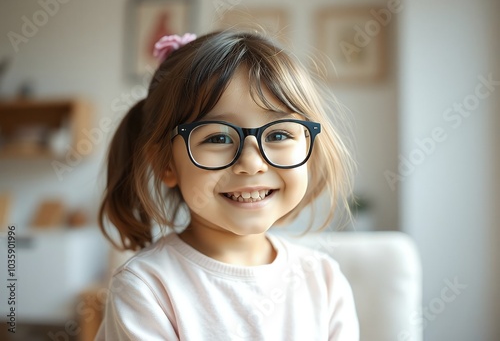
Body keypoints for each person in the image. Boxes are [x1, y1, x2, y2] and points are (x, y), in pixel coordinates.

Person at [95, 30, 359, 340]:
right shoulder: (147, 288)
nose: (252, 163)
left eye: (278, 135)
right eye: (218, 137)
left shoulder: (324, 281)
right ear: (166, 164)